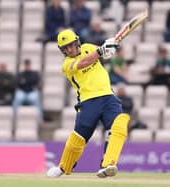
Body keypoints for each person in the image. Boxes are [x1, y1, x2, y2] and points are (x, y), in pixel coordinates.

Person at [46, 29, 130, 178]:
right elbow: (84, 63)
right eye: (66, 48)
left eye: (71, 45)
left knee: (119, 124)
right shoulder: (67, 64)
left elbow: (101, 54)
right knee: (79, 138)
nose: (70, 49)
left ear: (77, 42)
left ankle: (108, 164)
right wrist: (100, 50)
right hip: (88, 101)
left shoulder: (89, 48)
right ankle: (63, 167)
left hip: (108, 96)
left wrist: (108, 49)